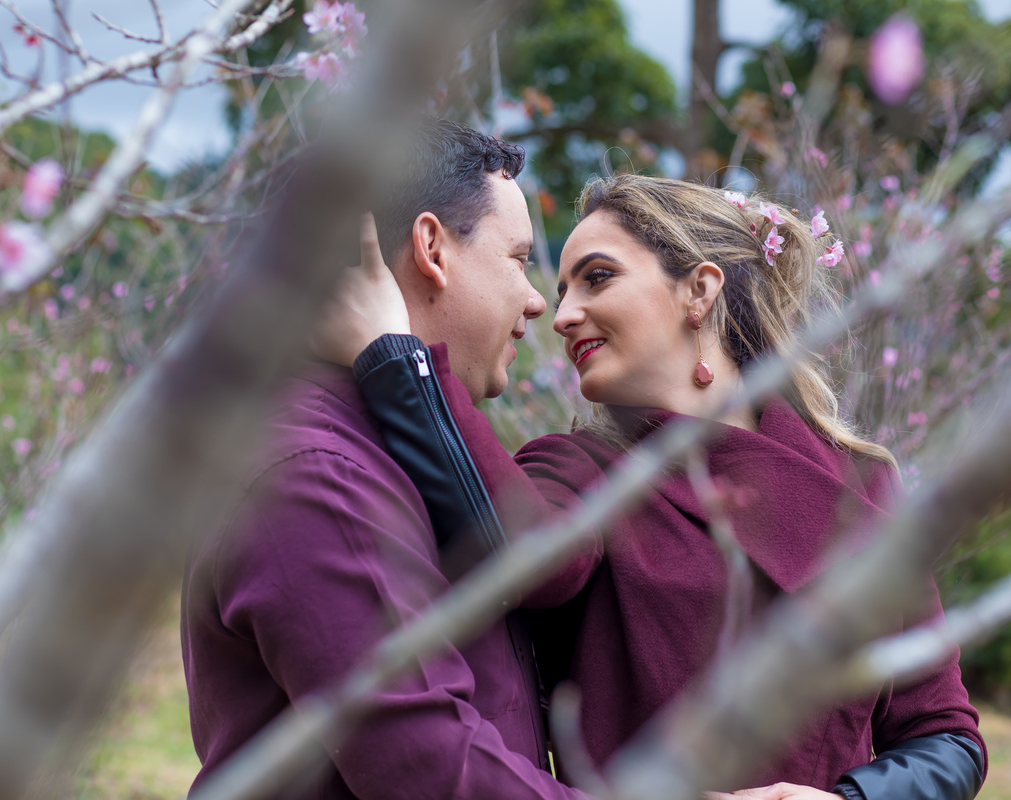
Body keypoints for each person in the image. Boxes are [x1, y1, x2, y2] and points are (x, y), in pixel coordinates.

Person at [317, 172, 987, 800]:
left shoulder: (863, 485)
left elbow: (946, 737)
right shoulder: (580, 468)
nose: (562, 315)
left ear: (699, 290)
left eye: (597, 278)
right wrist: (395, 354)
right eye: (562, 292)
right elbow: (523, 557)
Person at [180, 118, 596, 799]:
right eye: (519, 260)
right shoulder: (317, 473)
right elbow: (432, 768)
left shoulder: (379, 445)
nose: (535, 302)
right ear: (431, 247)